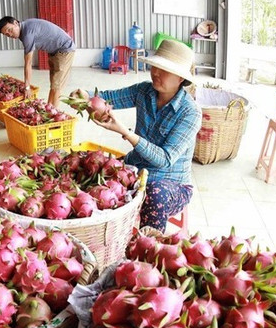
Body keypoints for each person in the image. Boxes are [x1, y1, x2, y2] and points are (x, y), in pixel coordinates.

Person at [73, 39, 202, 231]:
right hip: (135, 168)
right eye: (155, 67)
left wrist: (125, 133)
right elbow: (110, 98)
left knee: (154, 193)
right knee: (91, 167)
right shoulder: (144, 91)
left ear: (181, 78)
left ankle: (147, 249)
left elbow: (165, 159)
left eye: (164, 70)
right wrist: (86, 95)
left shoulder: (190, 112)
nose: (156, 73)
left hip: (169, 183)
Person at [0, 16, 75, 107]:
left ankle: (54, 114)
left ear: (15, 23)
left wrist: (27, 87)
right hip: (54, 51)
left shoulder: (27, 34)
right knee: (54, 84)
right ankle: (49, 108)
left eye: (9, 30)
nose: (10, 34)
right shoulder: (25, 28)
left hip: (65, 49)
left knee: (57, 86)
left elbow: (28, 63)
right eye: (6, 34)